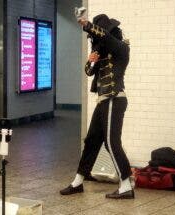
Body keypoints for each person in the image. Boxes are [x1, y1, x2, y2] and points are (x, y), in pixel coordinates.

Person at [60, 14, 134, 199]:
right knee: (92, 141)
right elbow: (89, 71)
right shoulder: (101, 53)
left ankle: (126, 185)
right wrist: (91, 59)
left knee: (111, 142)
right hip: (103, 101)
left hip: (114, 99)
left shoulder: (121, 48)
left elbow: (106, 38)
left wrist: (87, 24)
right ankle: (78, 182)